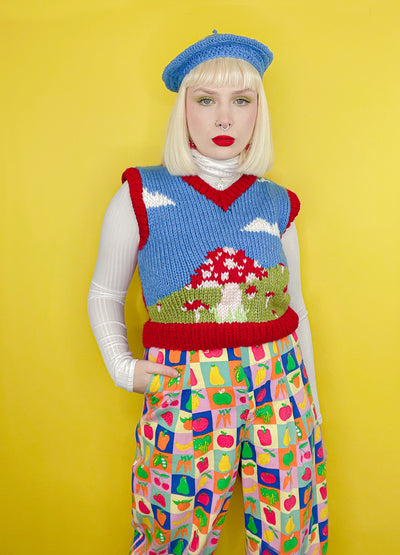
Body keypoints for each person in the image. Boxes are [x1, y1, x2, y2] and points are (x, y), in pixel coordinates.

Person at [88, 32, 328, 555]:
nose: (225, 119)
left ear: (258, 112)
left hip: (280, 382)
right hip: (186, 386)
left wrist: (309, 398)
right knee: (174, 528)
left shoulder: (276, 203)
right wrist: (123, 367)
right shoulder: (141, 193)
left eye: (241, 101)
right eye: (206, 100)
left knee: (289, 526)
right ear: (184, 110)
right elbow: (105, 291)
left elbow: (296, 308)